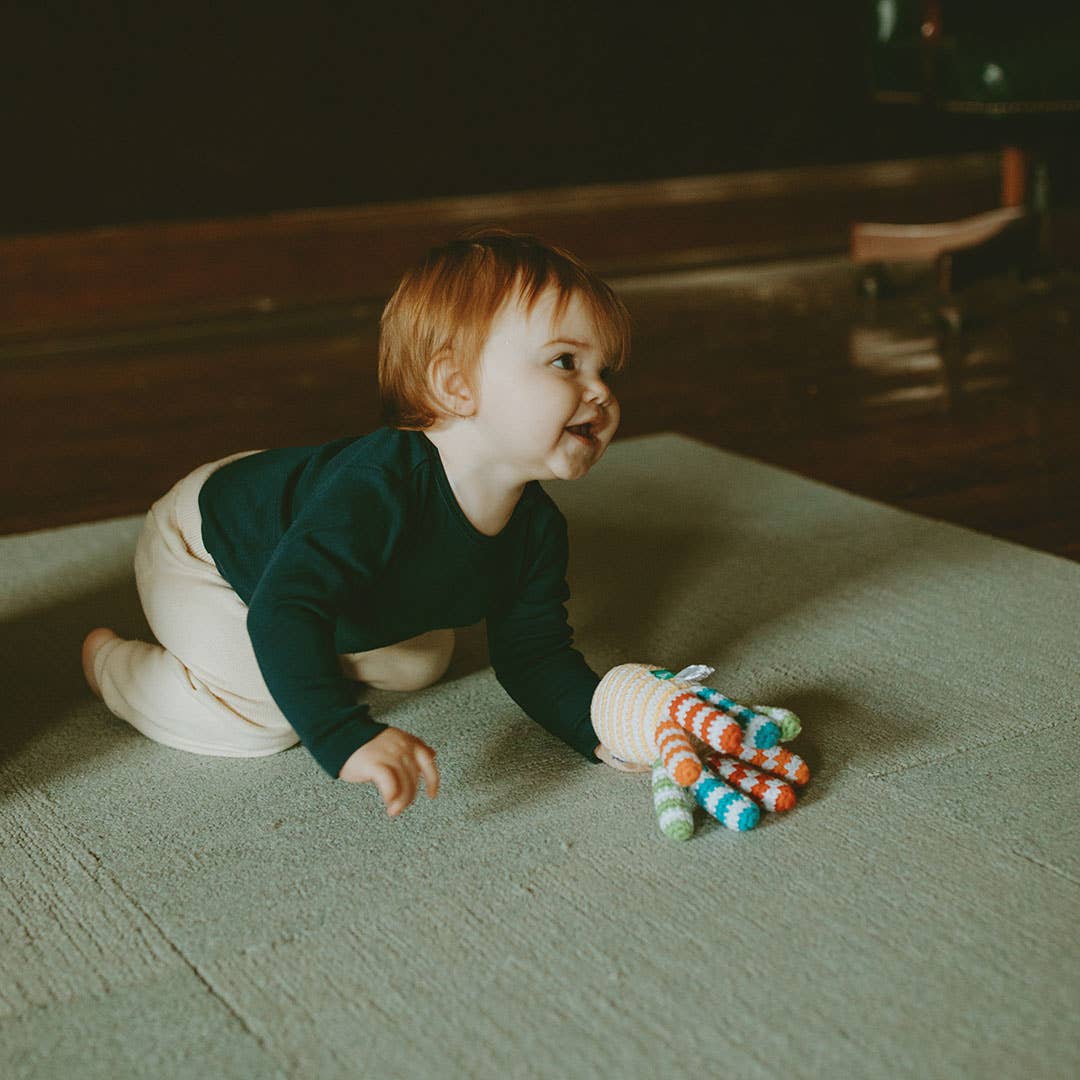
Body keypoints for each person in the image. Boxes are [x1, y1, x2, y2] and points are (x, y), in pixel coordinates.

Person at [81, 229, 647, 819]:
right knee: (264, 721)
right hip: (209, 550)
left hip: (299, 515)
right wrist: (345, 735)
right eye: (566, 362)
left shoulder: (536, 530)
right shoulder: (377, 492)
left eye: (606, 370)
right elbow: (286, 608)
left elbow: (534, 652)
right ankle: (116, 669)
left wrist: (600, 730)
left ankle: (318, 651)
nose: (601, 392)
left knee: (421, 663)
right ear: (456, 385)